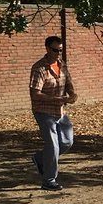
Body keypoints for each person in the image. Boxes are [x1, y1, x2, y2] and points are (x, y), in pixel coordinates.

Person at [29, 35, 77, 192]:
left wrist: (72, 94)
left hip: (60, 111)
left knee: (67, 142)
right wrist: (56, 99)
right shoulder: (39, 68)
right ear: (47, 48)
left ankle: (40, 159)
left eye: (61, 50)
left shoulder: (61, 64)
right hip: (43, 111)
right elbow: (35, 94)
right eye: (56, 50)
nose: (58, 53)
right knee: (53, 145)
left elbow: (68, 82)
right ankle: (49, 180)